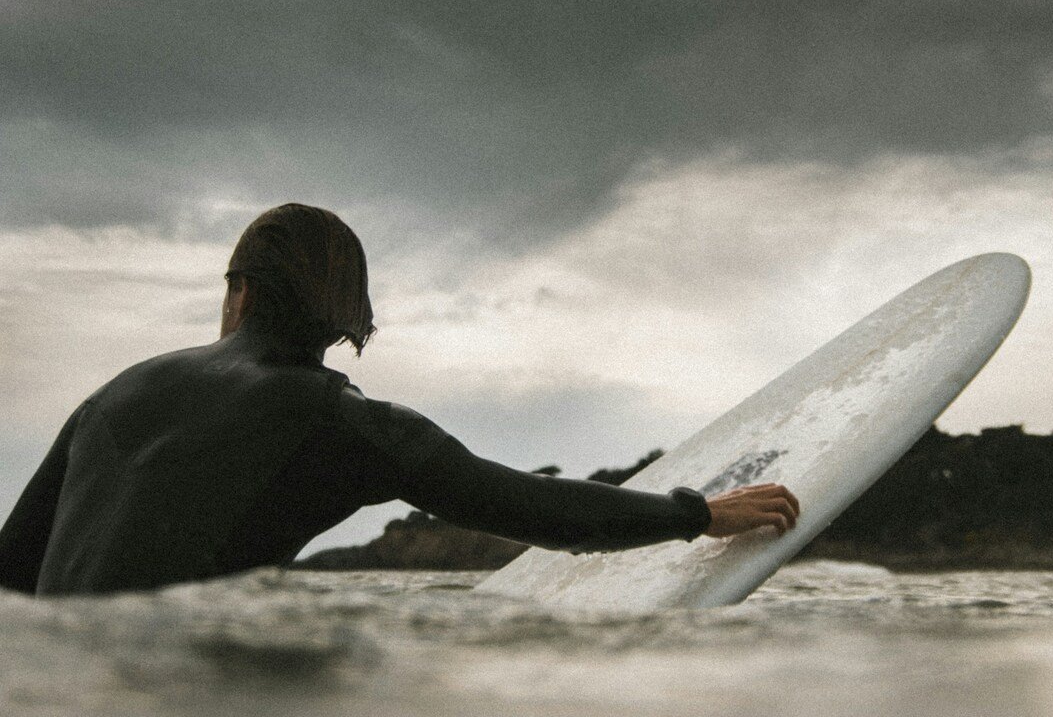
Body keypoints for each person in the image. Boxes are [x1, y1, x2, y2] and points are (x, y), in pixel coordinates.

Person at [0, 204, 800, 596]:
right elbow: (539, 511)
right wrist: (697, 514)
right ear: (347, 315)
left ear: (239, 294)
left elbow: (9, 576)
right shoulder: (348, 425)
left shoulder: (115, 392)